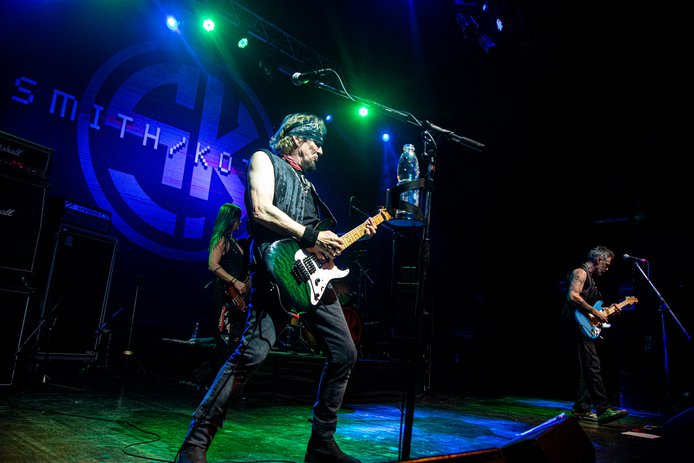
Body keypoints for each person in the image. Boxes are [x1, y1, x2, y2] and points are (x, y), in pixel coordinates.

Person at [177, 112, 378, 463]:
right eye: (316, 143)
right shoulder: (264, 160)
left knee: (345, 352)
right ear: (297, 139)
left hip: (311, 280)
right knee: (251, 354)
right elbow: (260, 210)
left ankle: (321, 445)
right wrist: (311, 235)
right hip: (275, 274)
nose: (320, 151)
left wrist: (349, 238)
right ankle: (194, 444)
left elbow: (316, 244)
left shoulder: (309, 187)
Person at [561, 245, 629, 425]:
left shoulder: (592, 280)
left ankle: (581, 408)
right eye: (606, 264)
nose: (606, 269)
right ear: (598, 260)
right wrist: (595, 312)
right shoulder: (580, 272)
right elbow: (573, 296)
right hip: (576, 324)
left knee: (587, 367)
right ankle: (603, 409)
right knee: (592, 365)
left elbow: (591, 307)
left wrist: (606, 310)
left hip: (583, 324)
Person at [192, 203, 250, 389]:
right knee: (226, 344)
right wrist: (235, 281)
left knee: (232, 344)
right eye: (237, 219)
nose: (240, 222)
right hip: (224, 296)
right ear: (230, 219)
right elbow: (212, 264)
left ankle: (205, 378)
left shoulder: (234, 240)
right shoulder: (221, 238)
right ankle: (206, 379)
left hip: (236, 300)